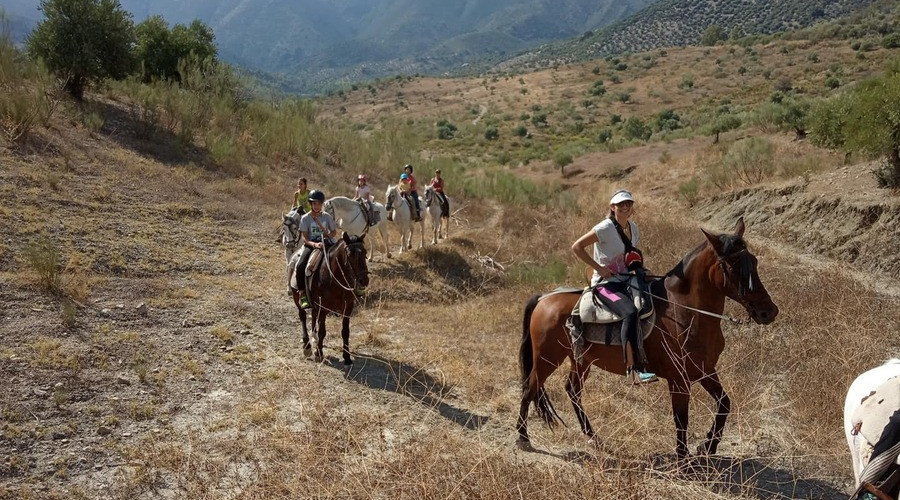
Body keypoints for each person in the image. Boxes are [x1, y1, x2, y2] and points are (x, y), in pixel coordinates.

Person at [569, 189, 656, 384]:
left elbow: (629, 256)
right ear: (612, 207)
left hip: (627, 280)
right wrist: (599, 268)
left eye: (629, 204)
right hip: (605, 285)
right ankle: (633, 369)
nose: (625, 207)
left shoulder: (633, 228)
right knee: (629, 312)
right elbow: (577, 246)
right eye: (621, 204)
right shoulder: (604, 228)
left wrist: (643, 269)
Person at [295, 189, 338, 309]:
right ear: (310, 204)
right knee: (300, 265)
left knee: (341, 259)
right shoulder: (305, 218)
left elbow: (334, 232)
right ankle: (302, 293)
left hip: (327, 243)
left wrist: (329, 235)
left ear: (322, 204)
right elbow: (305, 239)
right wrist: (315, 245)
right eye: (314, 203)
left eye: (319, 203)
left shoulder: (327, 217)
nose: (317, 205)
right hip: (312, 244)